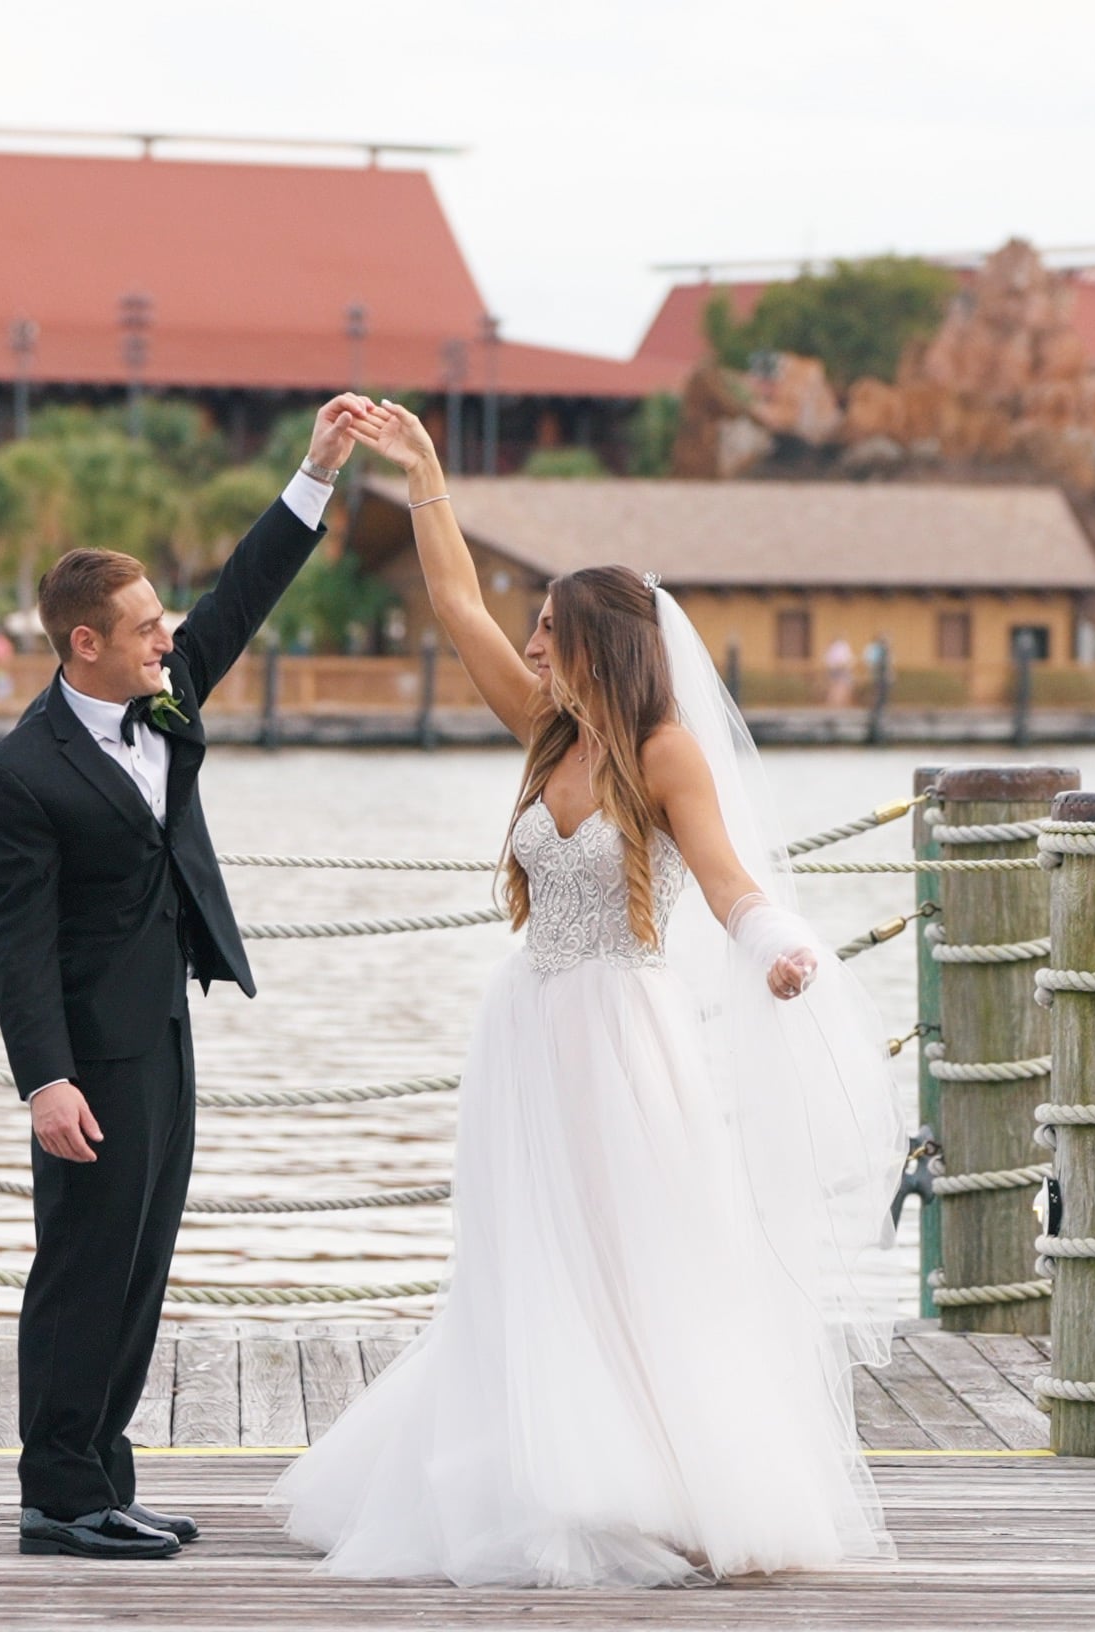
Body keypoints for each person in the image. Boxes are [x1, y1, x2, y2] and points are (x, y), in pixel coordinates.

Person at [269, 400, 901, 1586]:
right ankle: (532, 1464)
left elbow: (725, 880)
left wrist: (776, 947)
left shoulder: (664, 751)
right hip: (526, 1026)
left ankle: (659, 1476)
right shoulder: (542, 734)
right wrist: (425, 474)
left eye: (550, 628)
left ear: (600, 641)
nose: (533, 642)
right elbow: (456, 604)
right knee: (521, 1256)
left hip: (623, 1026)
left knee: (636, 1248)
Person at [0, 393, 372, 1562]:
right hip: (90, 1054)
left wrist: (315, 471)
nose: (168, 632)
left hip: (166, 1028)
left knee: (141, 1265)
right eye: (144, 623)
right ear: (81, 642)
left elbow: (240, 596)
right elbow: (14, 942)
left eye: (163, 619)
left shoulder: (162, 697)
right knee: (84, 1267)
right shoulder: (16, 778)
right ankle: (57, 1496)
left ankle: (106, 1476)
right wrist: (46, 1082)